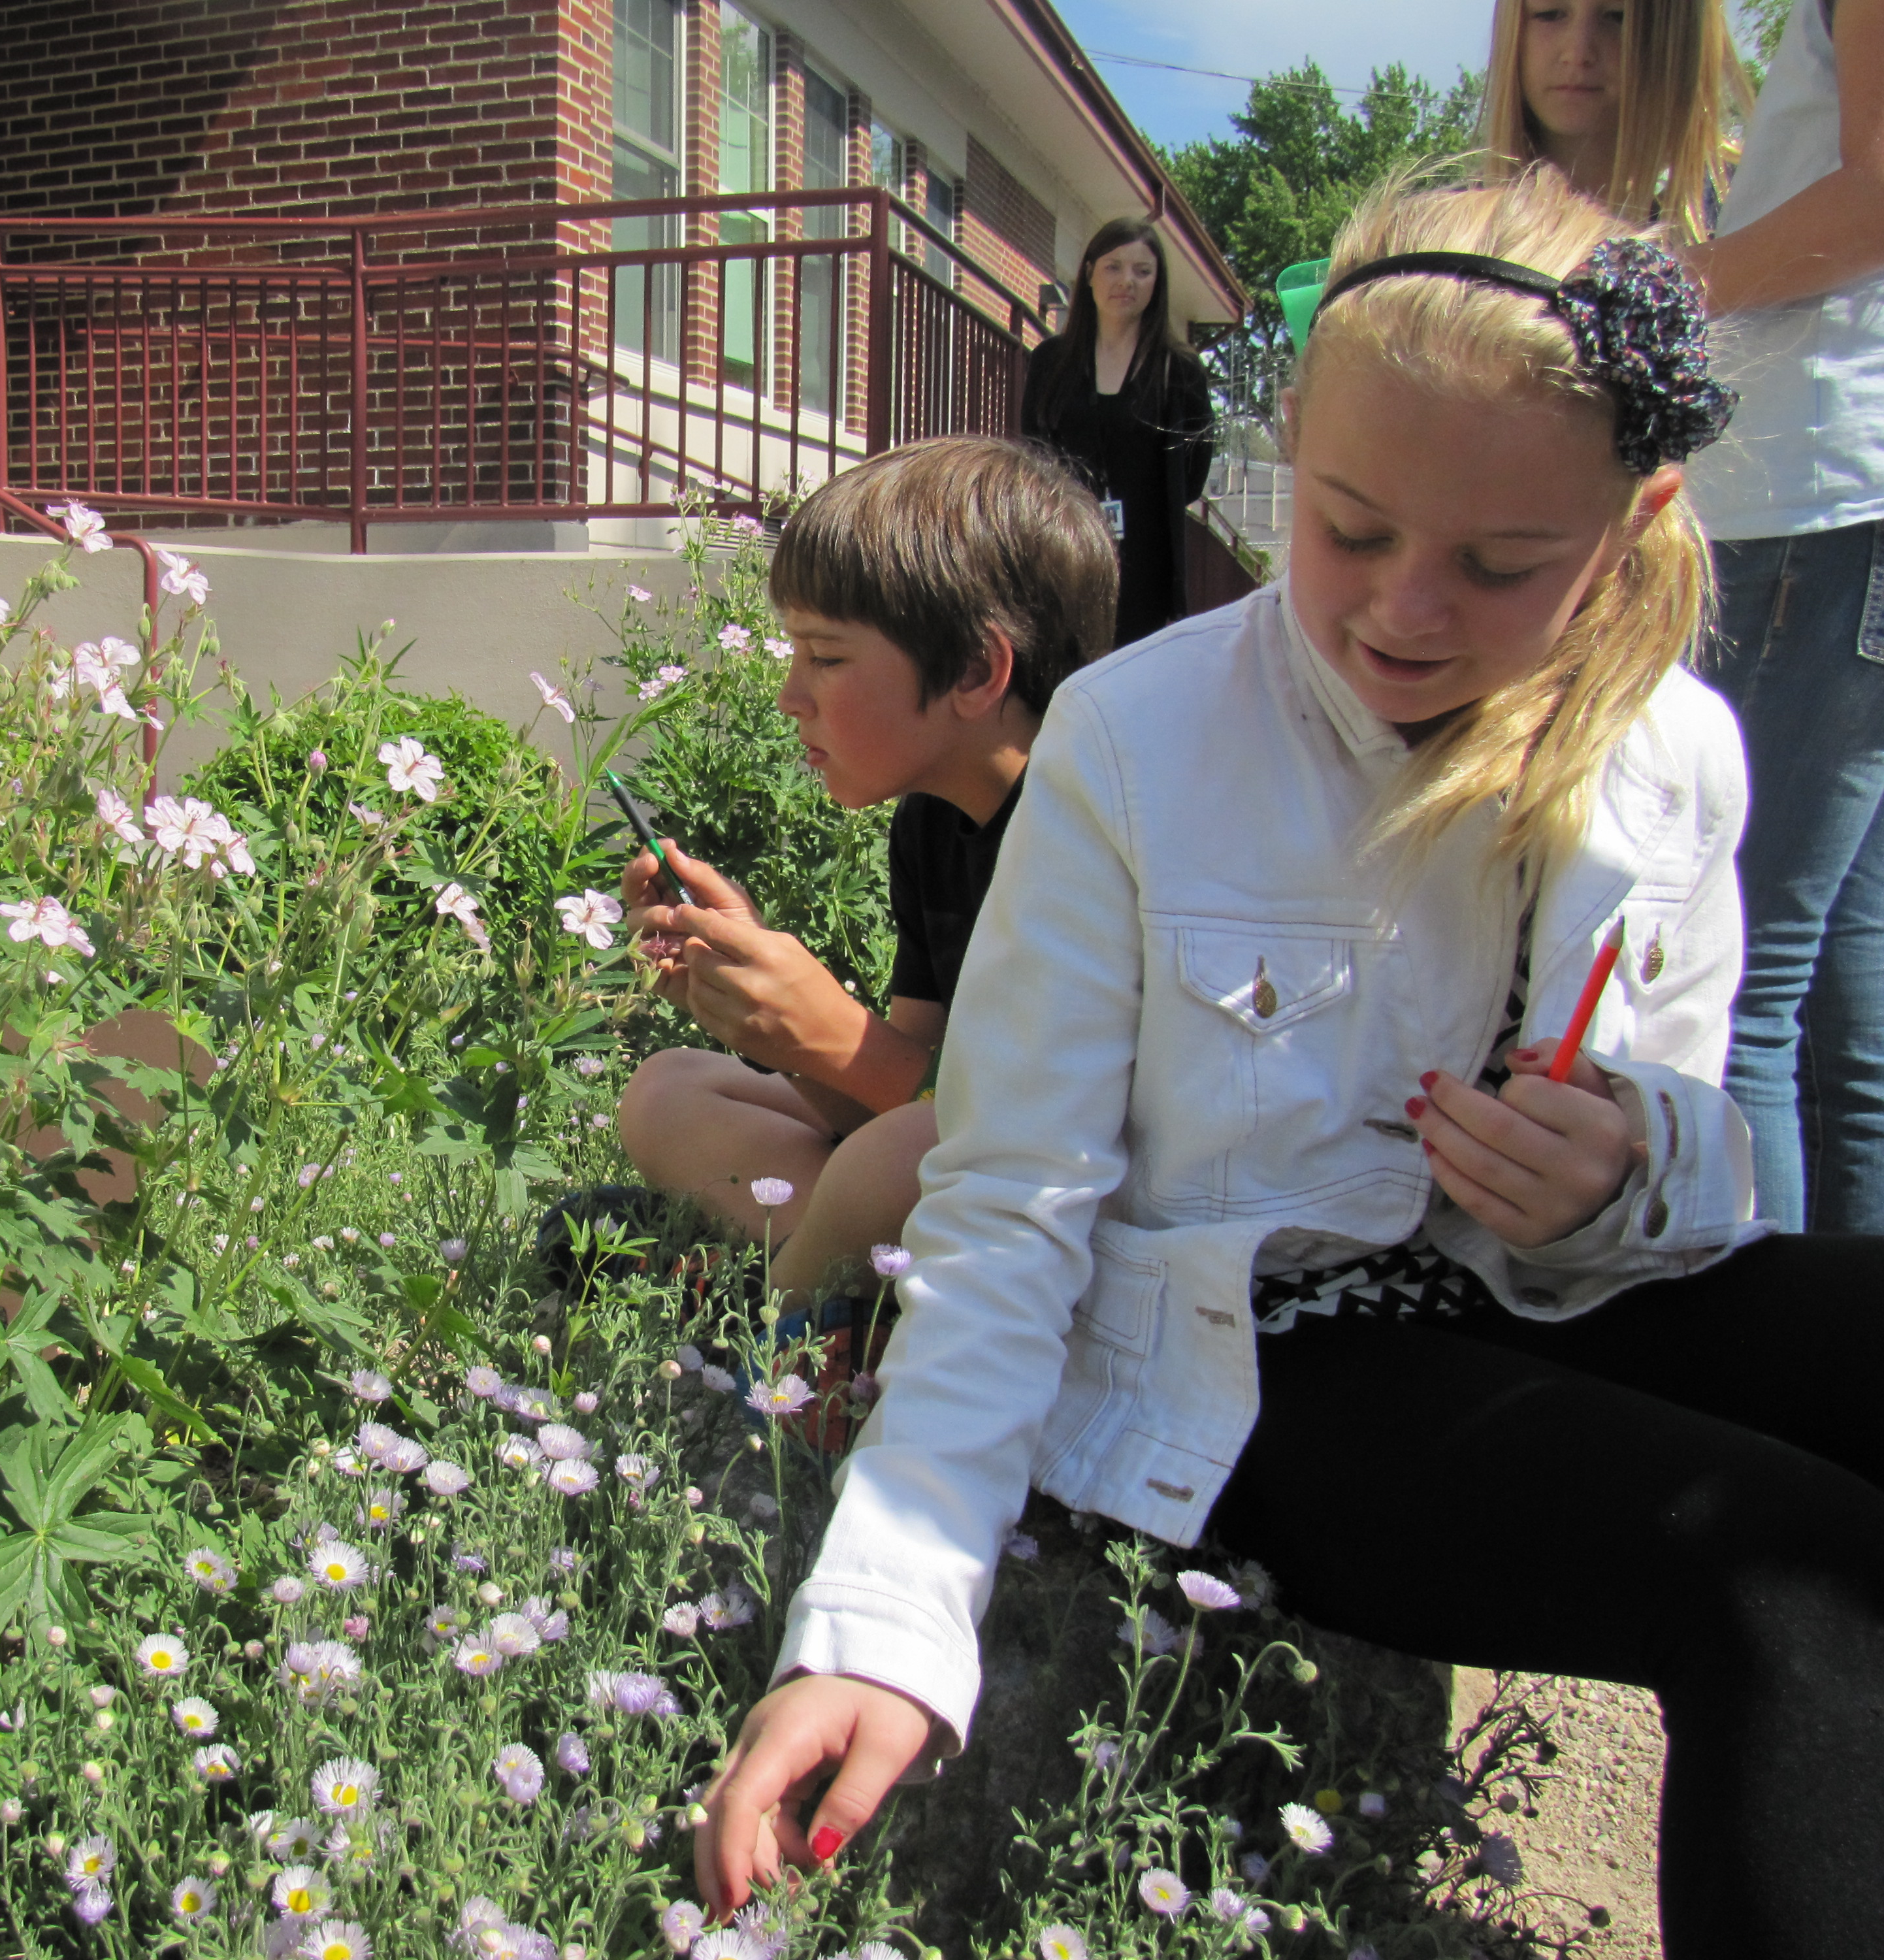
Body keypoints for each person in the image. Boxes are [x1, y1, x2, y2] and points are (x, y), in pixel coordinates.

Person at [695, 171, 1884, 1959]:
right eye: (1349, 530)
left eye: (1500, 566)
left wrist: (1624, 1160)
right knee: (1795, 1587)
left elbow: (1685, 1153)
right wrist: (885, 1616)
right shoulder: (1141, 739)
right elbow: (1011, 1199)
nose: (1405, 611)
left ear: (1632, 527)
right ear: (1289, 461)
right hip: (1251, 1349)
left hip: (1527, 1306)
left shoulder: (1673, 753)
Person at [613, 436, 1117, 1316]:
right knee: (670, 1088)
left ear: (974, 667)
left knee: (889, 1164)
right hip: (935, 1175)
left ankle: (772, 1328)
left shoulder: (1091, 833)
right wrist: (768, 1012)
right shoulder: (932, 824)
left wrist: (838, 1032)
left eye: (827, 657)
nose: (789, 696)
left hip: (1070, 1212)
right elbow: (885, 1101)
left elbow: (1013, 1134)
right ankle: (844, 1275)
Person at [1679, 0, 1884, 1231]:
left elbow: (1873, 195)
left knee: (1739, 971)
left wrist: (1666, 281)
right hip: (1847, 503)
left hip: (1808, 498)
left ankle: (1767, 1375)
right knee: (1843, 992)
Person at [1017, 219, 1217, 648]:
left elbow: (1193, 474)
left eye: (1143, 271)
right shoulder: (1050, 362)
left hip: (1146, 567)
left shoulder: (1179, 372)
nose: (1127, 281)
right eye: (1114, 267)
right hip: (1064, 552)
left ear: (1156, 284)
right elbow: (1032, 458)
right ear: (1089, 273)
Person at [1480, 0, 1751, 238]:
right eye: (1549, 13)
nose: (1578, 53)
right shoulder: (1458, 235)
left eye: (1618, 16)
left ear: (1680, 37)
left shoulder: (1751, 206)